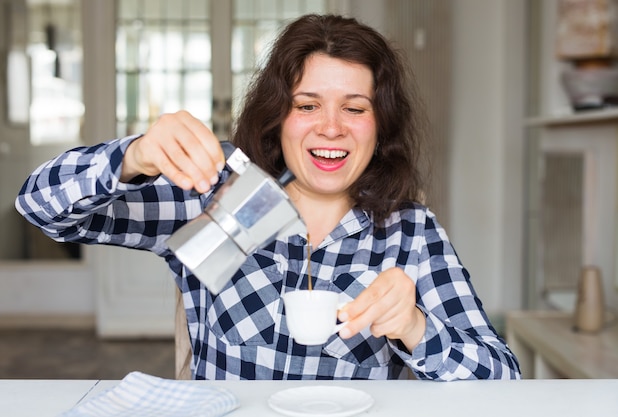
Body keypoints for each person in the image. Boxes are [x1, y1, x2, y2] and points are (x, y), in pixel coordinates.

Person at [15, 14, 521, 380]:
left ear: (379, 125)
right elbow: (38, 205)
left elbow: (500, 379)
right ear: (279, 117)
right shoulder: (215, 192)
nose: (331, 128)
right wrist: (133, 157)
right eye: (307, 104)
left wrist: (414, 326)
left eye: (355, 108)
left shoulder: (409, 231)